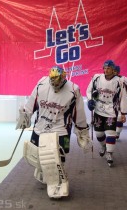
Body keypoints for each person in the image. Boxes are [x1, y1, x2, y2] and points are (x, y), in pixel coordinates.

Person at [16, 66, 91, 198]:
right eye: (53, 81)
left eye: (57, 81)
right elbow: (32, 102)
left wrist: (82, 130)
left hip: (61, 129)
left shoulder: (73, 89)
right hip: (40, 126)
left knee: (57, 157)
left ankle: (58, 182)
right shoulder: (42, 83)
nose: (55, 84)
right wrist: (25, 116)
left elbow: (78, 112)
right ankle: (44, 171)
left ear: (63, 78)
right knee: (38, 154)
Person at [86, 60, 127, 167]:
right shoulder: (97, 78)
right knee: (99, 134)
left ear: (113, 69)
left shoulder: (119, 81)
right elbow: (89, 90)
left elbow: (123, 97)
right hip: (99, 109)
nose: (106, 70)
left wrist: (123, 113)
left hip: (111, 111)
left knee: (111, 133)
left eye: (108, 68)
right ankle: (103, 146)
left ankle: (109, 154)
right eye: (104, 68)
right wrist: (90, 100)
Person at [114, 65, 127, 140]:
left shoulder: (124, 79)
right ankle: (112, 133)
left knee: (119, 117)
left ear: (118, 72)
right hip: (111, 102)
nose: (114, 72)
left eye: (115, 71)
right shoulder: (108, 79)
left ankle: (117, 133)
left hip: (122, 100)